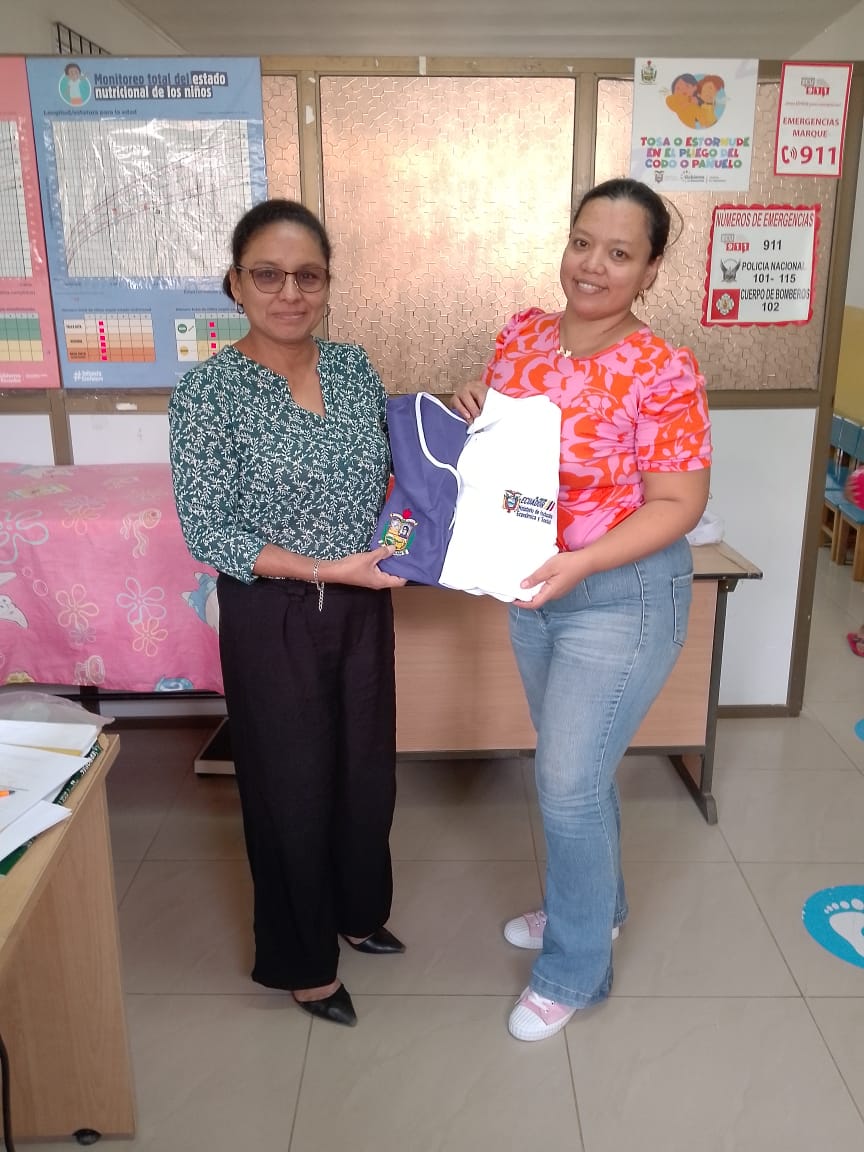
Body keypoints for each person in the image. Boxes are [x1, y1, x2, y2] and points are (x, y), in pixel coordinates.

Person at [454, 177, 712, 1042]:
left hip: (619, 597)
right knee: (580, 772)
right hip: (534, 588)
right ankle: (596, 905)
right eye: (582, 243)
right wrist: (473, 410)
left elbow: (678, 503)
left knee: (565, 783)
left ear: (651, 269)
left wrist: (584, 562)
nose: (592, 265)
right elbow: (509, 446)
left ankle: (574, 968)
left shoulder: (664, 368)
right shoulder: (523, 335)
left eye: (619, 253)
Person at [168, 198, 406, 1029]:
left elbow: (401, 470)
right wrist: (320, 569)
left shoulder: (353, 368)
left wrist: (464, 421)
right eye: (267, 275)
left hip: (361, 606)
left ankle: (358, 911)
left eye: (308, 275)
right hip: (272, 614)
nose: (290, 293)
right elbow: (208, 529)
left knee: (365, 773)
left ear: (328, 284)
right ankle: (303, 963)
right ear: (236, 284)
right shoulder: (208, 392)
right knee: (290, 788)